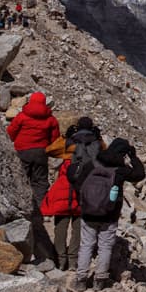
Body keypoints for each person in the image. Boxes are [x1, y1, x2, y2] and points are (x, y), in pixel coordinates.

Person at [72, 137, 144, 291]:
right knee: (105, 247)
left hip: (88, 213)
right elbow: (139, 174)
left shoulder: (92, 164)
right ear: (123, 153)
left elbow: (78, 185)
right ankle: (100, 280)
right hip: (109, 214)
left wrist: (85, 203)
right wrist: (133, 157)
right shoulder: (120, 171)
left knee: (86, 245)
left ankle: (80, 280)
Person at [42, 116, 102, 271]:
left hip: (64, 187)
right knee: (78, 227)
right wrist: (99, 137)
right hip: (85, 188)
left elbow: (49, 150)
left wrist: (65, 136)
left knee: (60, 225)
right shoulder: (95, 145)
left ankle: (60, 259)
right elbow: (106, 152)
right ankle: (73, 261)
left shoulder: (69, 144)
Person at [6, 92, 61, 215]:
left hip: (22, 150)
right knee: (40, 180)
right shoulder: (51, 119)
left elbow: (11, 131)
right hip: (41, 152)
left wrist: (13, 141)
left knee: (22, 177)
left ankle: (22, 206)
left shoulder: (22, 116)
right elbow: (55, 138)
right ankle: (40, 208)